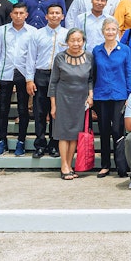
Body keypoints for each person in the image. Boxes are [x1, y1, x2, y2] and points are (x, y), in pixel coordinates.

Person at [0, 3, 36, 156]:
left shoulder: (32, 32)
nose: (18, 16)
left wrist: (30, 78)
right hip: (4, 73)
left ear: (26, 15)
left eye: (21, 13)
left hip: (23, 73)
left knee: (23, 109)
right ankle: (2, 141)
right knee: (3, 109)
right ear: (11, 14)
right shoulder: (2, 31)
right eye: (15, 13)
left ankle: (20, 142)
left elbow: (32, 57)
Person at [50, 28, 95, 180]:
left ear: (83, 41)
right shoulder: (60, 57)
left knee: (75, 135)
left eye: (79, 40)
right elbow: (53, 82)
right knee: (63, 134)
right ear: (67, 41)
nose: (76, 43)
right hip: (63, 98)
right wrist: (53, 105)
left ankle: (70, 165)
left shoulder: (89, 56)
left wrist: (90, 95)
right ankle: (63, 166)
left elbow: (90, 79)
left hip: (80, 100)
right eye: (72, 40)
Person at [26, 3, 68, 159]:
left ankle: (54, 144)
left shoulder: (67, 34)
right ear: (46, 16)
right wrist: (29, 79)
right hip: (41, 75)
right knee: (40, 112)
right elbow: (30, 58)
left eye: (58, 13)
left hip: (61, 77)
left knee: (57, 112)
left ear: (62, 16)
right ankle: (40, 144)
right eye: (52, 13)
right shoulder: (37, 34)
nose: (55, 16)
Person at [92, 17, 131, 177]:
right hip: (101, 95)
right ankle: (105, 165)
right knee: (103, 131)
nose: (110, 32)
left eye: (113, 29)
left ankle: (121, 165)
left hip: (119, 95)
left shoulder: (124, 50)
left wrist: (130, 94)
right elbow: (93, 74)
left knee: (117, 130)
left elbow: (128, 72)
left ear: (117, 32)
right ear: (103, 32)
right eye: (107, 29)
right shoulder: (97, 50)